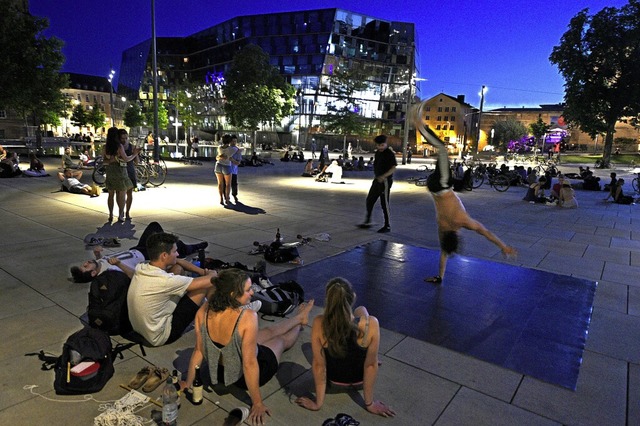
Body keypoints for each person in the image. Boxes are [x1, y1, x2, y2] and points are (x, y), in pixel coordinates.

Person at [180, 268, 314, 425]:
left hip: (222, 373)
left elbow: (198, 351)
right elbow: (250, 364)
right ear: (232, 295)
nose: (252, 292)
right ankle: (299, 325)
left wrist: (188, 383)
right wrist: (257, 403)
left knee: (267, 331)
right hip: (249, 373)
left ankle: (299, 318)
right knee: (280, 341)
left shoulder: (205, 309)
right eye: (248, 290)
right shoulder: (248, 317)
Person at [413, 100, 517, 284]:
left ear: (458, 235)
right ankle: (440, 277)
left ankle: (420, 125)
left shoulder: (463, 222)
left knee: (443, 151)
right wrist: (440, 276)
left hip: (442, 185)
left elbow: (485, 232)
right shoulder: (442, 228)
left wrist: (504, 246)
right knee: (452, 172)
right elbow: (444, 252)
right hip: (435, 186)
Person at [295, 278, 395, 418]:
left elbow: (319, 366)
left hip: (334, 383)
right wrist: (370, 404)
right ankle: (365, 353)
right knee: (362, 311)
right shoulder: (372, 323)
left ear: (328, 300)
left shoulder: (319, 323)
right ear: (352, 296)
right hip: (360, 382)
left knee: (315, 349)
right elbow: (371, 366)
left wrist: (318, 403)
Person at [127, 231, 217, 347]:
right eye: (175, 251)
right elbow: (211, 279)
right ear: (164, 255)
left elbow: (178, 262)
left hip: (142, 329)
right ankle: (215, 321)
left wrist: (201, 271)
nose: (178, 254)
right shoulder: (165, 281)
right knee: (206, 286)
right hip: (160, 336)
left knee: (177, 267)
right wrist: (211, 272)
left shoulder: (142, 267)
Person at [70, 221, 209, 283]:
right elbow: (134, 277)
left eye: (84, 263)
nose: (87, 262)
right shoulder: (109, 274)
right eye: (86, 266)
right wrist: (119, 264)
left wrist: (98, 255)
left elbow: (102, 262)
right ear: (94, 273)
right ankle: (190, 249)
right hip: (146, 255)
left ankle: (176, 247)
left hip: (137, 249)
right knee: (170, 245)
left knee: (154, 226)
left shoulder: (99, 264)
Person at [358, 135, 397, 233]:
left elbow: (393, 167)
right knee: (370, 200)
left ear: (385, 144)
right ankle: (368, 221)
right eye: (378, 145)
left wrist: (384, 176)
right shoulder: (378, 153)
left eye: (382, 145)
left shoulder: (389, 153)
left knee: (384, 203)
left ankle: (387, 225)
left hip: (385, 181)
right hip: (377, 180)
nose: (380, 147)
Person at [103, 127, 138, 222]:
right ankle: (120, 215)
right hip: (120, 171)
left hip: (110, 171)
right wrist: (135, 154)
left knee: (111, 194)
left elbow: (104, 161)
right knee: (122, 193)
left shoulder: (106, 147)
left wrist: (111, 160)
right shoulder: (119, 146)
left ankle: (110, 214)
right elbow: (126, 159)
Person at [119, 129, 138, 220]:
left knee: (129, 193)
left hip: (130, 171)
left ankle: (127, 212)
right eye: (122, 138)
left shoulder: (131, 147)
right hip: (120, 171)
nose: (124, 140)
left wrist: (136, 153)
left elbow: (137, 161)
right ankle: (121, 211)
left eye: (126, 138)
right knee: (120, 193)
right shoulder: (118, 147)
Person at [215, 134, 234, 205]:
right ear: (230, 141)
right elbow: (239, 149)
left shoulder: (219, 147)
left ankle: (221, 199)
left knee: (220, 183)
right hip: (226, 166)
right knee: (228, 184)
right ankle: (227, 199)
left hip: (218, 165)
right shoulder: (231, 149)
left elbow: (217, 157)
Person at [229, 135, 243, 202]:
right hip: (226, 169)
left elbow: (238, 162)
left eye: (235, 141)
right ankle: (226, 195)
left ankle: (234, 195)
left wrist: (232, 160)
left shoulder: (237, 150)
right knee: (226, 183)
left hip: (233, 170)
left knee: (234, 183)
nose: (234, 143)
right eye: (232, 141)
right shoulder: (227, 149)